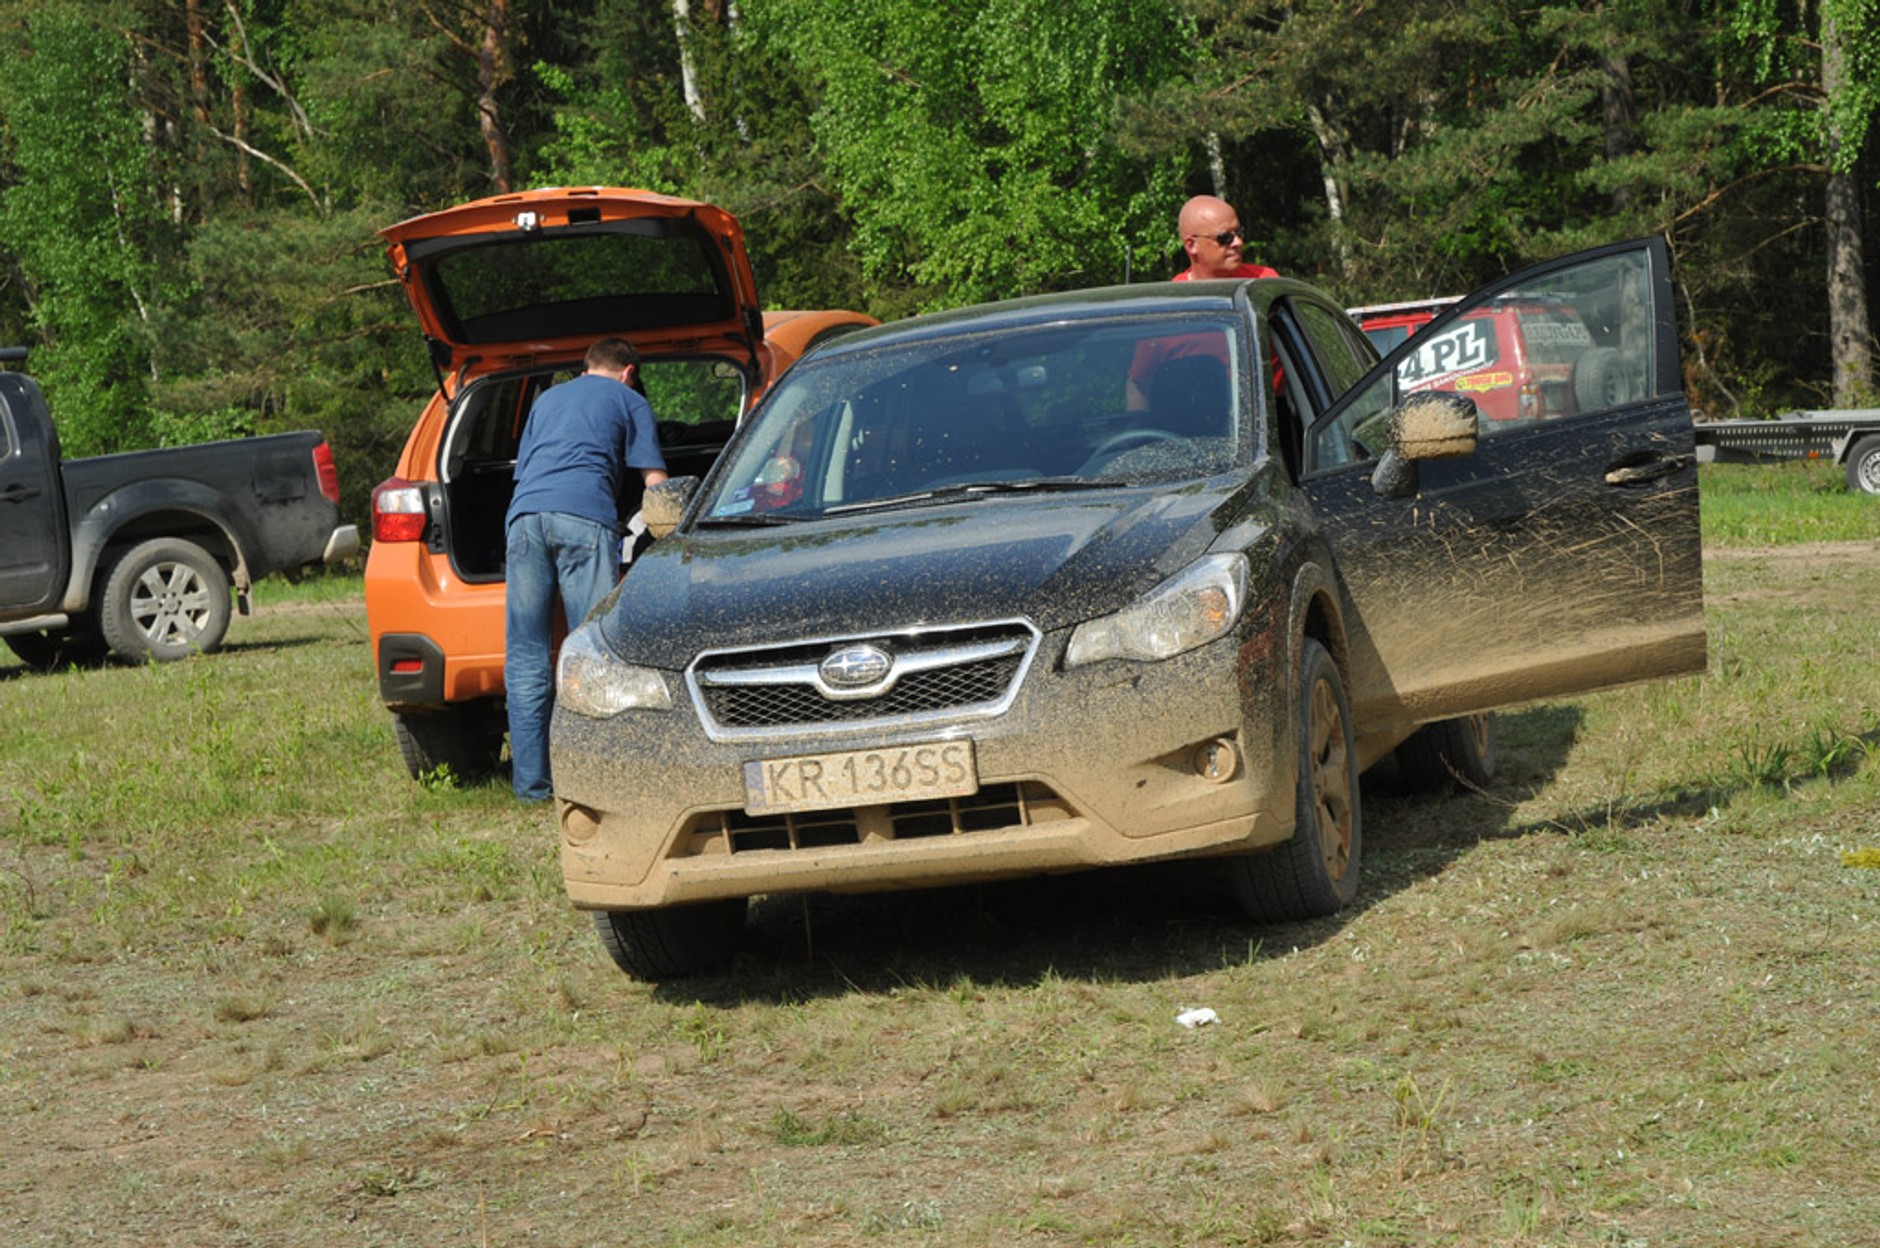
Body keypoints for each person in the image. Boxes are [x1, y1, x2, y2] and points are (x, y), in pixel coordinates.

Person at [504, 337, 668, 801]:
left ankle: (533, 787)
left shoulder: (548, 399)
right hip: (584, 518)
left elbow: (528, 473)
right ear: (629, 371)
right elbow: (655, 483)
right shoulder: (629, 400)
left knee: (526, 655)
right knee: (592, 652)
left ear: (587, 367)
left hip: (524, 520)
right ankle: (598, 780)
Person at [1127, 196, 1280, 411]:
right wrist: (1139, 432)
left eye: (1239, 233)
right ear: (1192, 245)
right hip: (1201, 427)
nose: (1238, 243)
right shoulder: (1168, 309)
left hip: (1276, 416)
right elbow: (1139, 382)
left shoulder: (1264, 284)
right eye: (1225, 238)